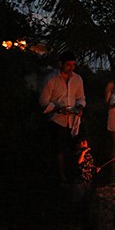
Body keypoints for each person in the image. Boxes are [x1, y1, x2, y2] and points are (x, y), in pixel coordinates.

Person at [39, 51, 86, 184]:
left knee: (77, 147)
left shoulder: (77, 79)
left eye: (73, 65)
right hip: (57, 119)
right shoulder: (51, 79)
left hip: (74, 120)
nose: (71, 68)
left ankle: (75, 172)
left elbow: (81, 97)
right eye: (68, 65)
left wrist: (80, 107)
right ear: (61, 64)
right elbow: (43, 101)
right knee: (58, 148)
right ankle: (61, 175)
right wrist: (58, 108)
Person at [72, 135, 99, 226]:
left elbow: (90, 165)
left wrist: (95, 168)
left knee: (87, 200)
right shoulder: (77, 153)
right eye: (82, 142)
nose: (84, 143)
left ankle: (86, 220)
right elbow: (78, 162)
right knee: (79, 201)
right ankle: (77, 220)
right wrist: (82, 153)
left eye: (85, 141)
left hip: (88, 180)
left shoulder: (88, 155)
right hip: (79, 181)